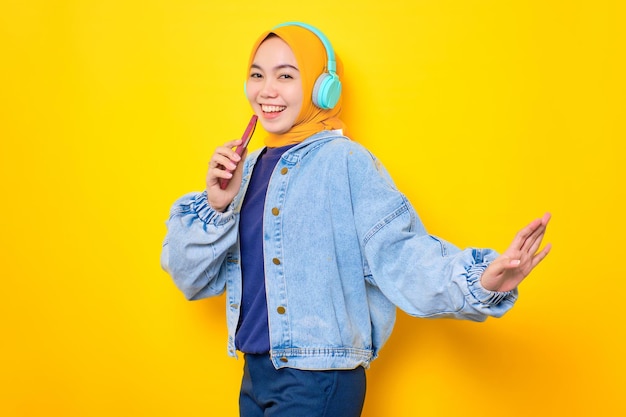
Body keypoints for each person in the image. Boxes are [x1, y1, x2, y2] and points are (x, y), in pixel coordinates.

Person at [160, 21, 551, 417]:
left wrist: (480, 282)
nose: (267, 90)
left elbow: (400, 253)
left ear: (321, 88)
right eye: (257, 75)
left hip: (319, 377)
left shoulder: (345, 163)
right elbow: (189, 278)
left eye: (286, 76)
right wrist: (216, 206)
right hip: (255, 374)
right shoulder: (242, 173)